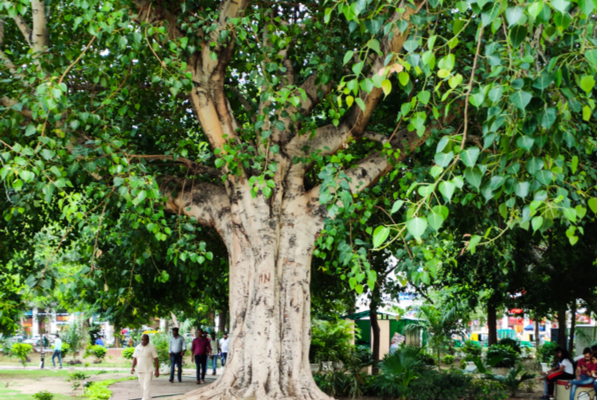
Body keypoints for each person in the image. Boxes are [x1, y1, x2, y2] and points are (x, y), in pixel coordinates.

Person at [131, 334, 159, 400]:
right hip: (139, 370)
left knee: (146, 387)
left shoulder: (152, 348)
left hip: (148, 370)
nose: (143, 341)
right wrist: (132, 367)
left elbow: (156, 359)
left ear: (148, 340)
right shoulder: (137, 347)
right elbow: (135, 358)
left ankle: (145, 399)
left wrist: (157, 370)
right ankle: (148, 398)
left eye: (145, 340)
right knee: (143, 387)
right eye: (142, 340)